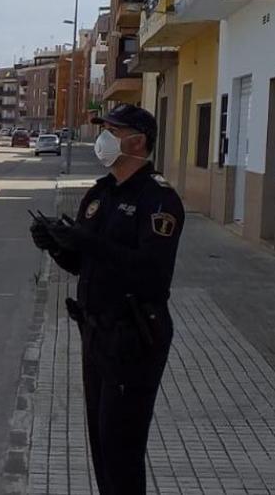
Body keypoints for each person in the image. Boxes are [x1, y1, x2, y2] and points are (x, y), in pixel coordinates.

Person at [29, 104, 184, 495]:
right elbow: (84, 264)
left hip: (134, 336)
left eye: (113, 131)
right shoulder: (100, 195)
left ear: (138, 140)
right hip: (97, 335)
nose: (104, 139)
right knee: (101, 445)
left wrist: (91, 243)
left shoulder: (158, 200)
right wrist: (56, 246)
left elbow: (151, 273)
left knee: (122, 450)